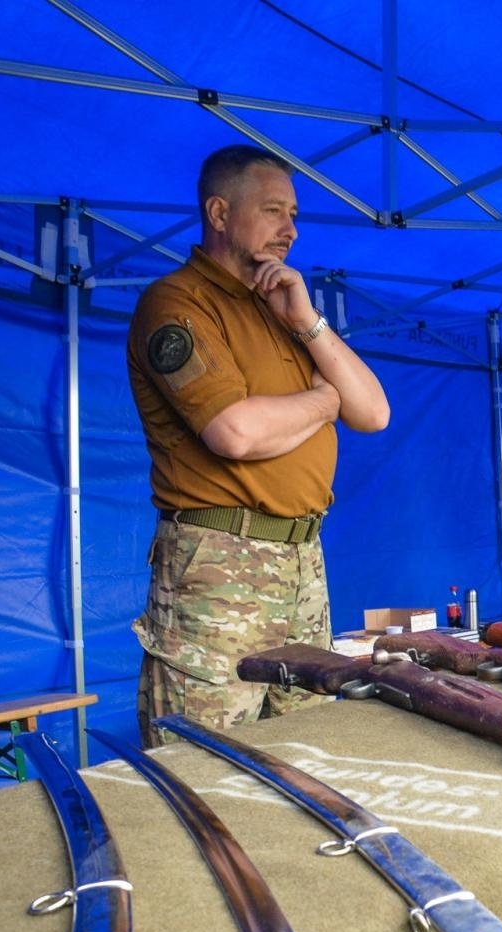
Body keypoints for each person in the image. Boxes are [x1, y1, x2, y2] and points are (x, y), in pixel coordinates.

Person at [126, 144, 390, 741]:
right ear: (220, 214)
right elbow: (235, 431)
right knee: (203, 764)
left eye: (294, 214)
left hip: (302, 561)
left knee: (309, 751)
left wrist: (309, 322)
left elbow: (373, 411)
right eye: (274, 211)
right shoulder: (177, 302)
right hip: (220, 564)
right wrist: (326, 402)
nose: (291, 230)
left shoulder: (280, 306)